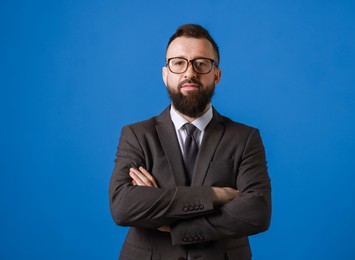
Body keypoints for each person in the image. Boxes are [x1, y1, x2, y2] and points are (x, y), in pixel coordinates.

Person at [109, 24, 271, 260]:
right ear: (166, 74)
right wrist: (213, 196)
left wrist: (172, 223)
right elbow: (123, 207)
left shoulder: (245, 138)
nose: (190, 73)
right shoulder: (136, 135)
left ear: (216, 75)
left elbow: (257, 211)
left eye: (201, 63)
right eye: (179, 62)